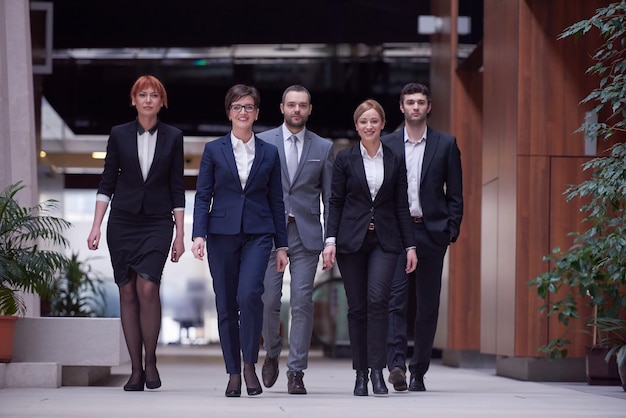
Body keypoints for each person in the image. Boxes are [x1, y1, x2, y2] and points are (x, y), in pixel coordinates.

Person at [87, 75, 185, 392]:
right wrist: (95, 225)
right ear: (133, 100)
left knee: (147, 288)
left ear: (162, 101)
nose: (147, 100)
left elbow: (177, 187)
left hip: (157, 221)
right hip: (122, 221)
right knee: (127, 290)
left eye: (153, 95)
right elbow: (107, 182)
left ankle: (152, 361)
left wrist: (180, 234)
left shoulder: (174, 136)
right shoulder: (118, 135)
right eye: (141, 95)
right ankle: (135, 369)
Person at [191, 84, 289, 398]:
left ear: (257, 113)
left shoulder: (269, 152)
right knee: (225, 304)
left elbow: (276, 200)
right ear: (229, 113)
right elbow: (203, 194)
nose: (243, 112)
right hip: (221, 235)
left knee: (250, 296)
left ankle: (249, 364)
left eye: (248, 107)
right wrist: (198, 234)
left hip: (259, 234)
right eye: (237, 107)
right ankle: (233, 372)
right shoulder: (214, 149)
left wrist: (282, 244)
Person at [322, 99, 417, 396]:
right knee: (358, 308)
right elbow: (335, 202)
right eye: (364, 121)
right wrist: (330, 240)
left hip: (386, 241)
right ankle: (360, 374)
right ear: (357, 126)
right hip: (351, 241)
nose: (369, 126)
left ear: (382, 124)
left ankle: (378, 372)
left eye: (374, 121)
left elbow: (402, 205)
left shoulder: (395, 158)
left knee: (378, 301)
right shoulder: (345, 159)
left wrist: (410, 245)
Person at [382, 82, 463, 392]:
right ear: (401, 107)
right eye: (409, 102)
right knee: (396, 300)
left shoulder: (445, 144)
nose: (415, 107)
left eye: (420, 102)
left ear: (429, 107)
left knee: (428, 305)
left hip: (432, 233)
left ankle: (419, 371)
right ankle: (397, 364)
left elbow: (455, 193)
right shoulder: (387, 144)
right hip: (399, 233)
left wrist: (450, 231)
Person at [257, 85, 334, 395]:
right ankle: (273, 351)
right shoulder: (262, 142)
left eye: (302, 105)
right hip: (272, 234)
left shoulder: (323, 147)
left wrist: (330, 239)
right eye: (292, 105)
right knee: (268, 301)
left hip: (306, 235)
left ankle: (296, 371)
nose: (297, 110)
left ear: (310, 109)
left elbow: (330, 197)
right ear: (282, 108)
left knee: (302, 302)